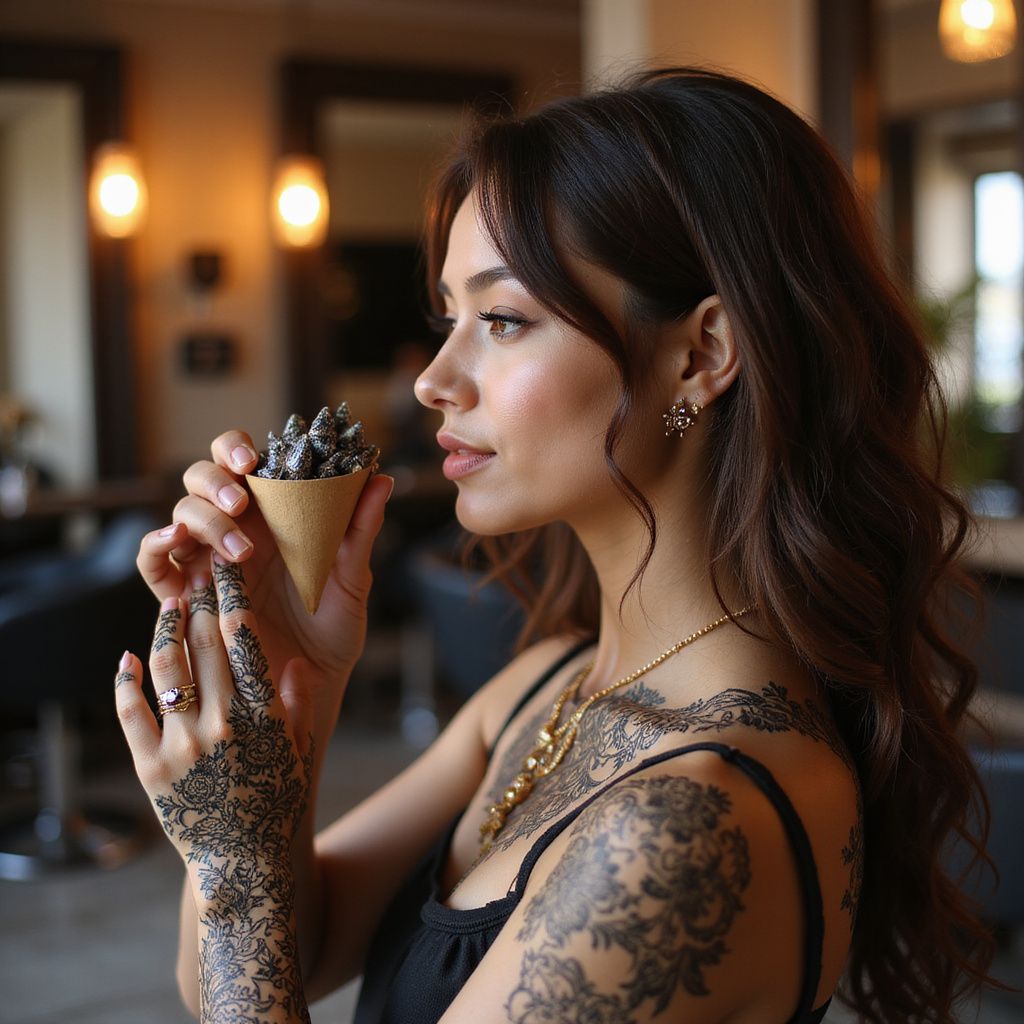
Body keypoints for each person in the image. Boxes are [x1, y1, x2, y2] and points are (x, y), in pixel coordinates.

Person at [116, 67, 1002, 1023]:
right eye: (447, 318)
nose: (434, 381)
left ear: (702, 353)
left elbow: (249, 934)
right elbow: (247, 968)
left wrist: (238, 865)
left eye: (502, 319)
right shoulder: (545, 684)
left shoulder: (688, 823)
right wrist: (303, 681)